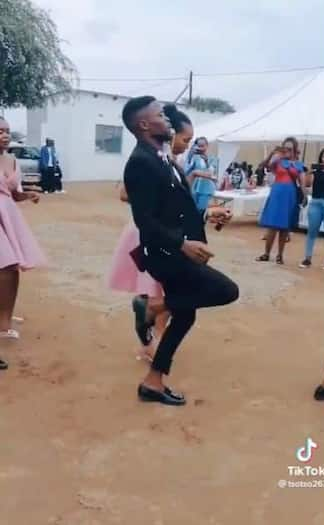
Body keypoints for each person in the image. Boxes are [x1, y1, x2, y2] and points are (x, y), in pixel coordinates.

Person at [121, 96, 238, 406]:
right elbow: (145, 222)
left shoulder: (161, 156)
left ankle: (153, 382)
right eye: (160, 114)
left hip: (174, 249)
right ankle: (152, 309)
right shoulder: (140, 162)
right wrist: (182, 244)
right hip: (165, 254)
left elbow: (172, 211)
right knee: (227, 290)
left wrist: (206, 215)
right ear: (144, 124)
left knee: (185, 317)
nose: (167, 118)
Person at [107, 103, 194, 362]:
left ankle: (151, 337)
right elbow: (125, 193)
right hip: (149, 233)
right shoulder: (149, 159)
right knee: (165, 291)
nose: (186, 145)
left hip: (166, 232)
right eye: (185, 139)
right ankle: (152, 342)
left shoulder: (170, 161)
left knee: (163, 291)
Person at [0, 116, 46, 370]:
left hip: (8, 215)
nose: (5, 135)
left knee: (12, 267)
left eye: (7, 131)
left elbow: (12, 193)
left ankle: (4, 322)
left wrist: (27, 194)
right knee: (5, 266)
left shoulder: (12, 159)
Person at [256, 137, 304, 265]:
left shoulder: (298, 164)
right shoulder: (278, 161)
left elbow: (302, 181)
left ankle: (280, 255)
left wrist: (304, 195)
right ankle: (266, 253)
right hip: (277, 194)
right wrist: (273, 153)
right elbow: (263, 166)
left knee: (285, 227)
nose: (287, 150)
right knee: (272, 225)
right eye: (285, 147)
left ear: (294, 149)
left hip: (290, 195)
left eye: (289, 148)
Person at [300, 147, 324, 270]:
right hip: (316, 203)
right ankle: (307, 258)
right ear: (321, 158)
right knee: (312, 231)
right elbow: (307, 184)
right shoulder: (316, 172)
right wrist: (309, 171)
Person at [186, 137, 216, 215]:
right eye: (199, 146)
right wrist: (189, 157)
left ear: (207, 145)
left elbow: (211, 174)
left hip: (206, 188)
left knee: (201, 211)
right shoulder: (195, 158)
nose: (200, 148)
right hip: (194, 188)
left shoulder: (212, 159)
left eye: (202, 146)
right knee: (192, 209)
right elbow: (186, 171)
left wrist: (206, 161)